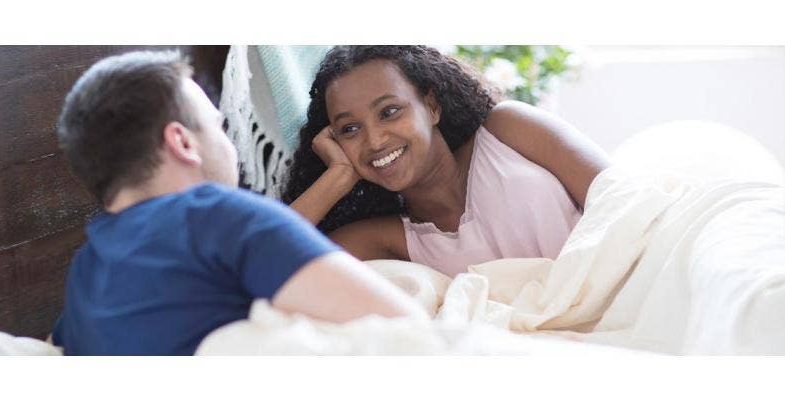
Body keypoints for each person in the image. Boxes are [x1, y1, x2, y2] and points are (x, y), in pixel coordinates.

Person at [50, 50, 426, 356]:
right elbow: (406, 329)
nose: (228, 144)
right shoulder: (217, 215)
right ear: (182, 142)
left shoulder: (86, 268)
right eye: (219, 126)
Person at [282, 46, 610, 277]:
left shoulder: (506, 129)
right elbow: (269, 262)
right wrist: (337, 176)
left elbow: (621, 196)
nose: (375, 140)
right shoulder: (383, 239)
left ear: (432, 106)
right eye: (349, 129)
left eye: (389, 112)